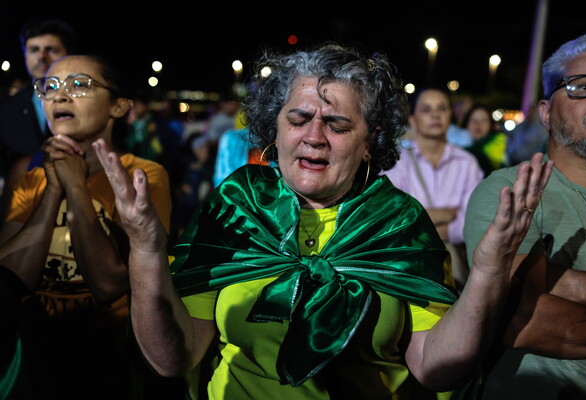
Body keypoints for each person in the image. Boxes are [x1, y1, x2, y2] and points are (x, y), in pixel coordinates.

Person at [93, 43, 552, 400]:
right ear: (274, 129)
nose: (314, 137)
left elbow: (435, 367)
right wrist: (146, 249)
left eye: (337, 125)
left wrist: (489, 270)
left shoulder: (399, 223)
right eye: (299, 119)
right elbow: (173, 358)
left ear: (370, 142)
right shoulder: (236, 206)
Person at [0, 54, 172, 399]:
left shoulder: (142, 176)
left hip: (108, 365)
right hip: (34, 362)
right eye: (50, 87)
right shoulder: (30, 176)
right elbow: (9, 281)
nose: (60, 96)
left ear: (118, 106)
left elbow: (109, 284)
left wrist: (76, 186)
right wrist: (53, 189)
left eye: (79, 85)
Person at [463, 31, 586, 399]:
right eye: (584, 86)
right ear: (546, 113)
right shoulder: (509, 191)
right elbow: (519, 317)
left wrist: (550, 279)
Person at [384, 88, 484, 291]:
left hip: (453, 270)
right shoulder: (397, 162)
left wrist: (419, 224)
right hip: (406, 268)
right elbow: (392, 218)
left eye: (441, 108)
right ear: (413, 119)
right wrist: (447, 214)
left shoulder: (467, 163)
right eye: (426, 109)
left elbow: (471, 220)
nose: (435, 115)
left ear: (450, 116)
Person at [0, 18, 76, 222]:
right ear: (25, 55)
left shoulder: (86, 105)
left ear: (67, 54)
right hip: (20, 215)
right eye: (34, 50)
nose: (42, 57)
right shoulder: (6, 109)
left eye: (51, 49)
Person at [462, 104, 507, 176]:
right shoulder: (455, 146)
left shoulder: (501, 146)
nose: (478, 125)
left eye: (483, 121)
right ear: (466, 124)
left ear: (490, 124)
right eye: (473, 121)